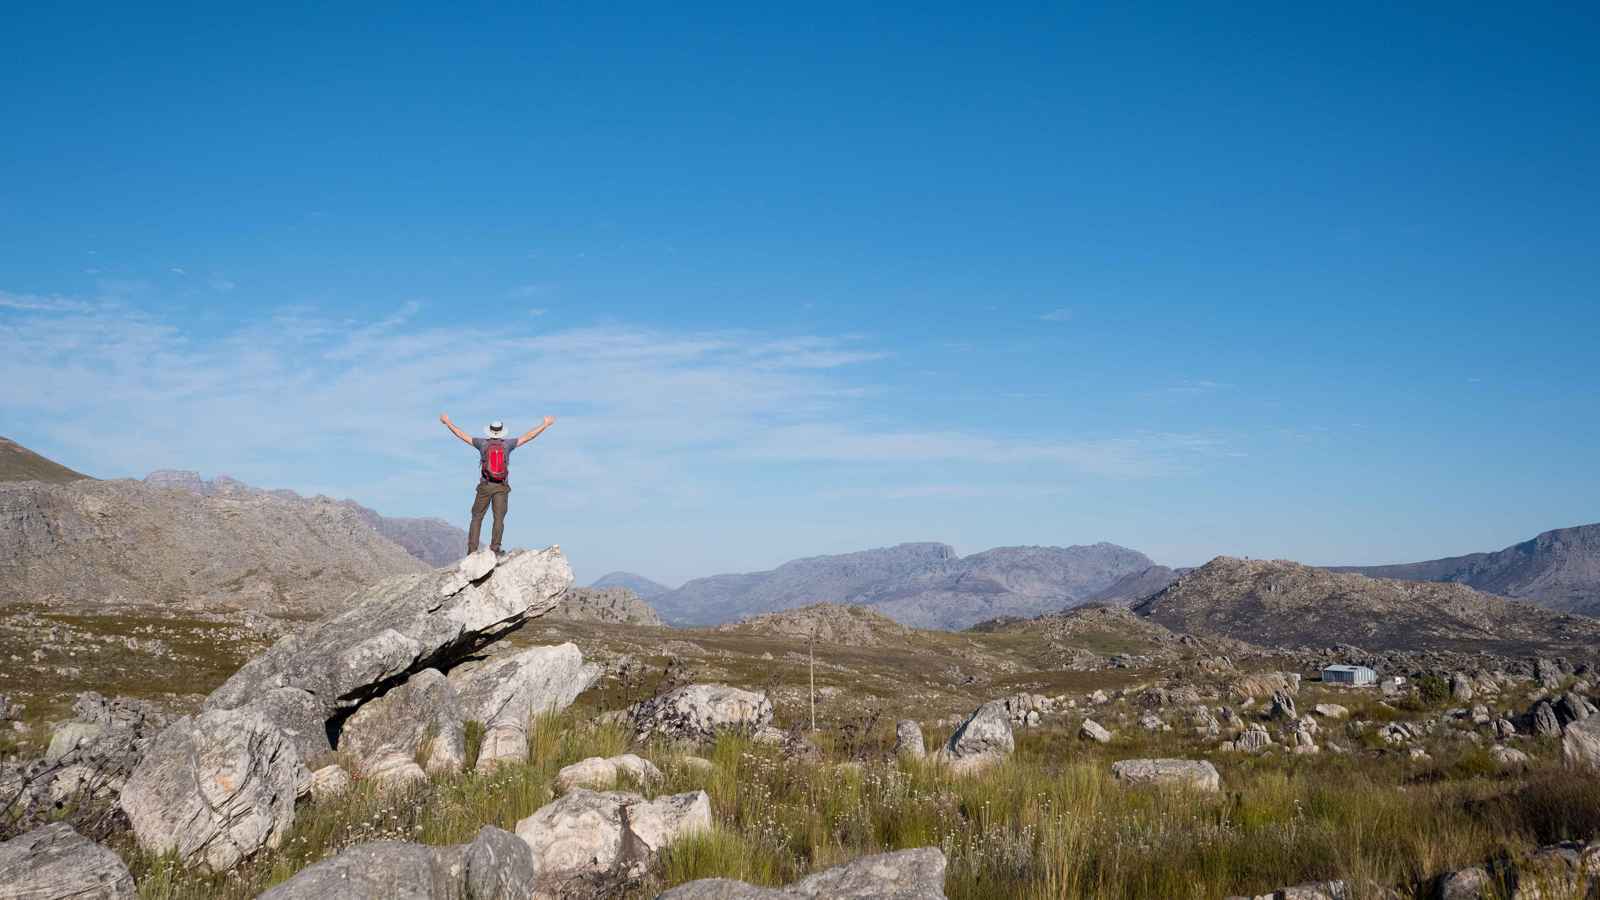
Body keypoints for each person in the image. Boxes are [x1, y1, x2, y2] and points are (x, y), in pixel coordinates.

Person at [438, 413, 556, 556]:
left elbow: (461, 435)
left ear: (489, 431)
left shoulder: (482, 444)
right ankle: (495, 549)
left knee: (477, 517)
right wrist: (545, 424)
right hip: (501, 486)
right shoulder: (508, 445)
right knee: (498, 518)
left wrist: (448, 422)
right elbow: (529, 436)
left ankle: (472, 551)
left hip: (485, 486)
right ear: (501, 432)